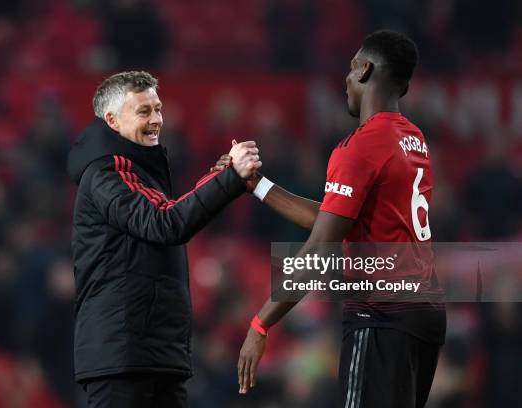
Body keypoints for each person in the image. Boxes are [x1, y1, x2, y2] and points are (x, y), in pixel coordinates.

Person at [216, 30, 446, 407]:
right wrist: (256, 185)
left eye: (350, 67)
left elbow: (321, 247)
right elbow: (331, 219)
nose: (345, 80)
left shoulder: (360, 146)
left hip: (380, 314)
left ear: (364, 69)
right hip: (424, 314)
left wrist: (261, 323)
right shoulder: (413, 139)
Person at [67, 71, 260, 408]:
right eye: (144, 111)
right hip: (124, 358)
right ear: (112, 120)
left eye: (158, 109)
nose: (156, 119)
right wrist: (227, 179)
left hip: (152, 354)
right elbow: (166, 222)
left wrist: (220, 179)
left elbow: (165, 215)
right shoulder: (107, 172)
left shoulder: (137, 171)